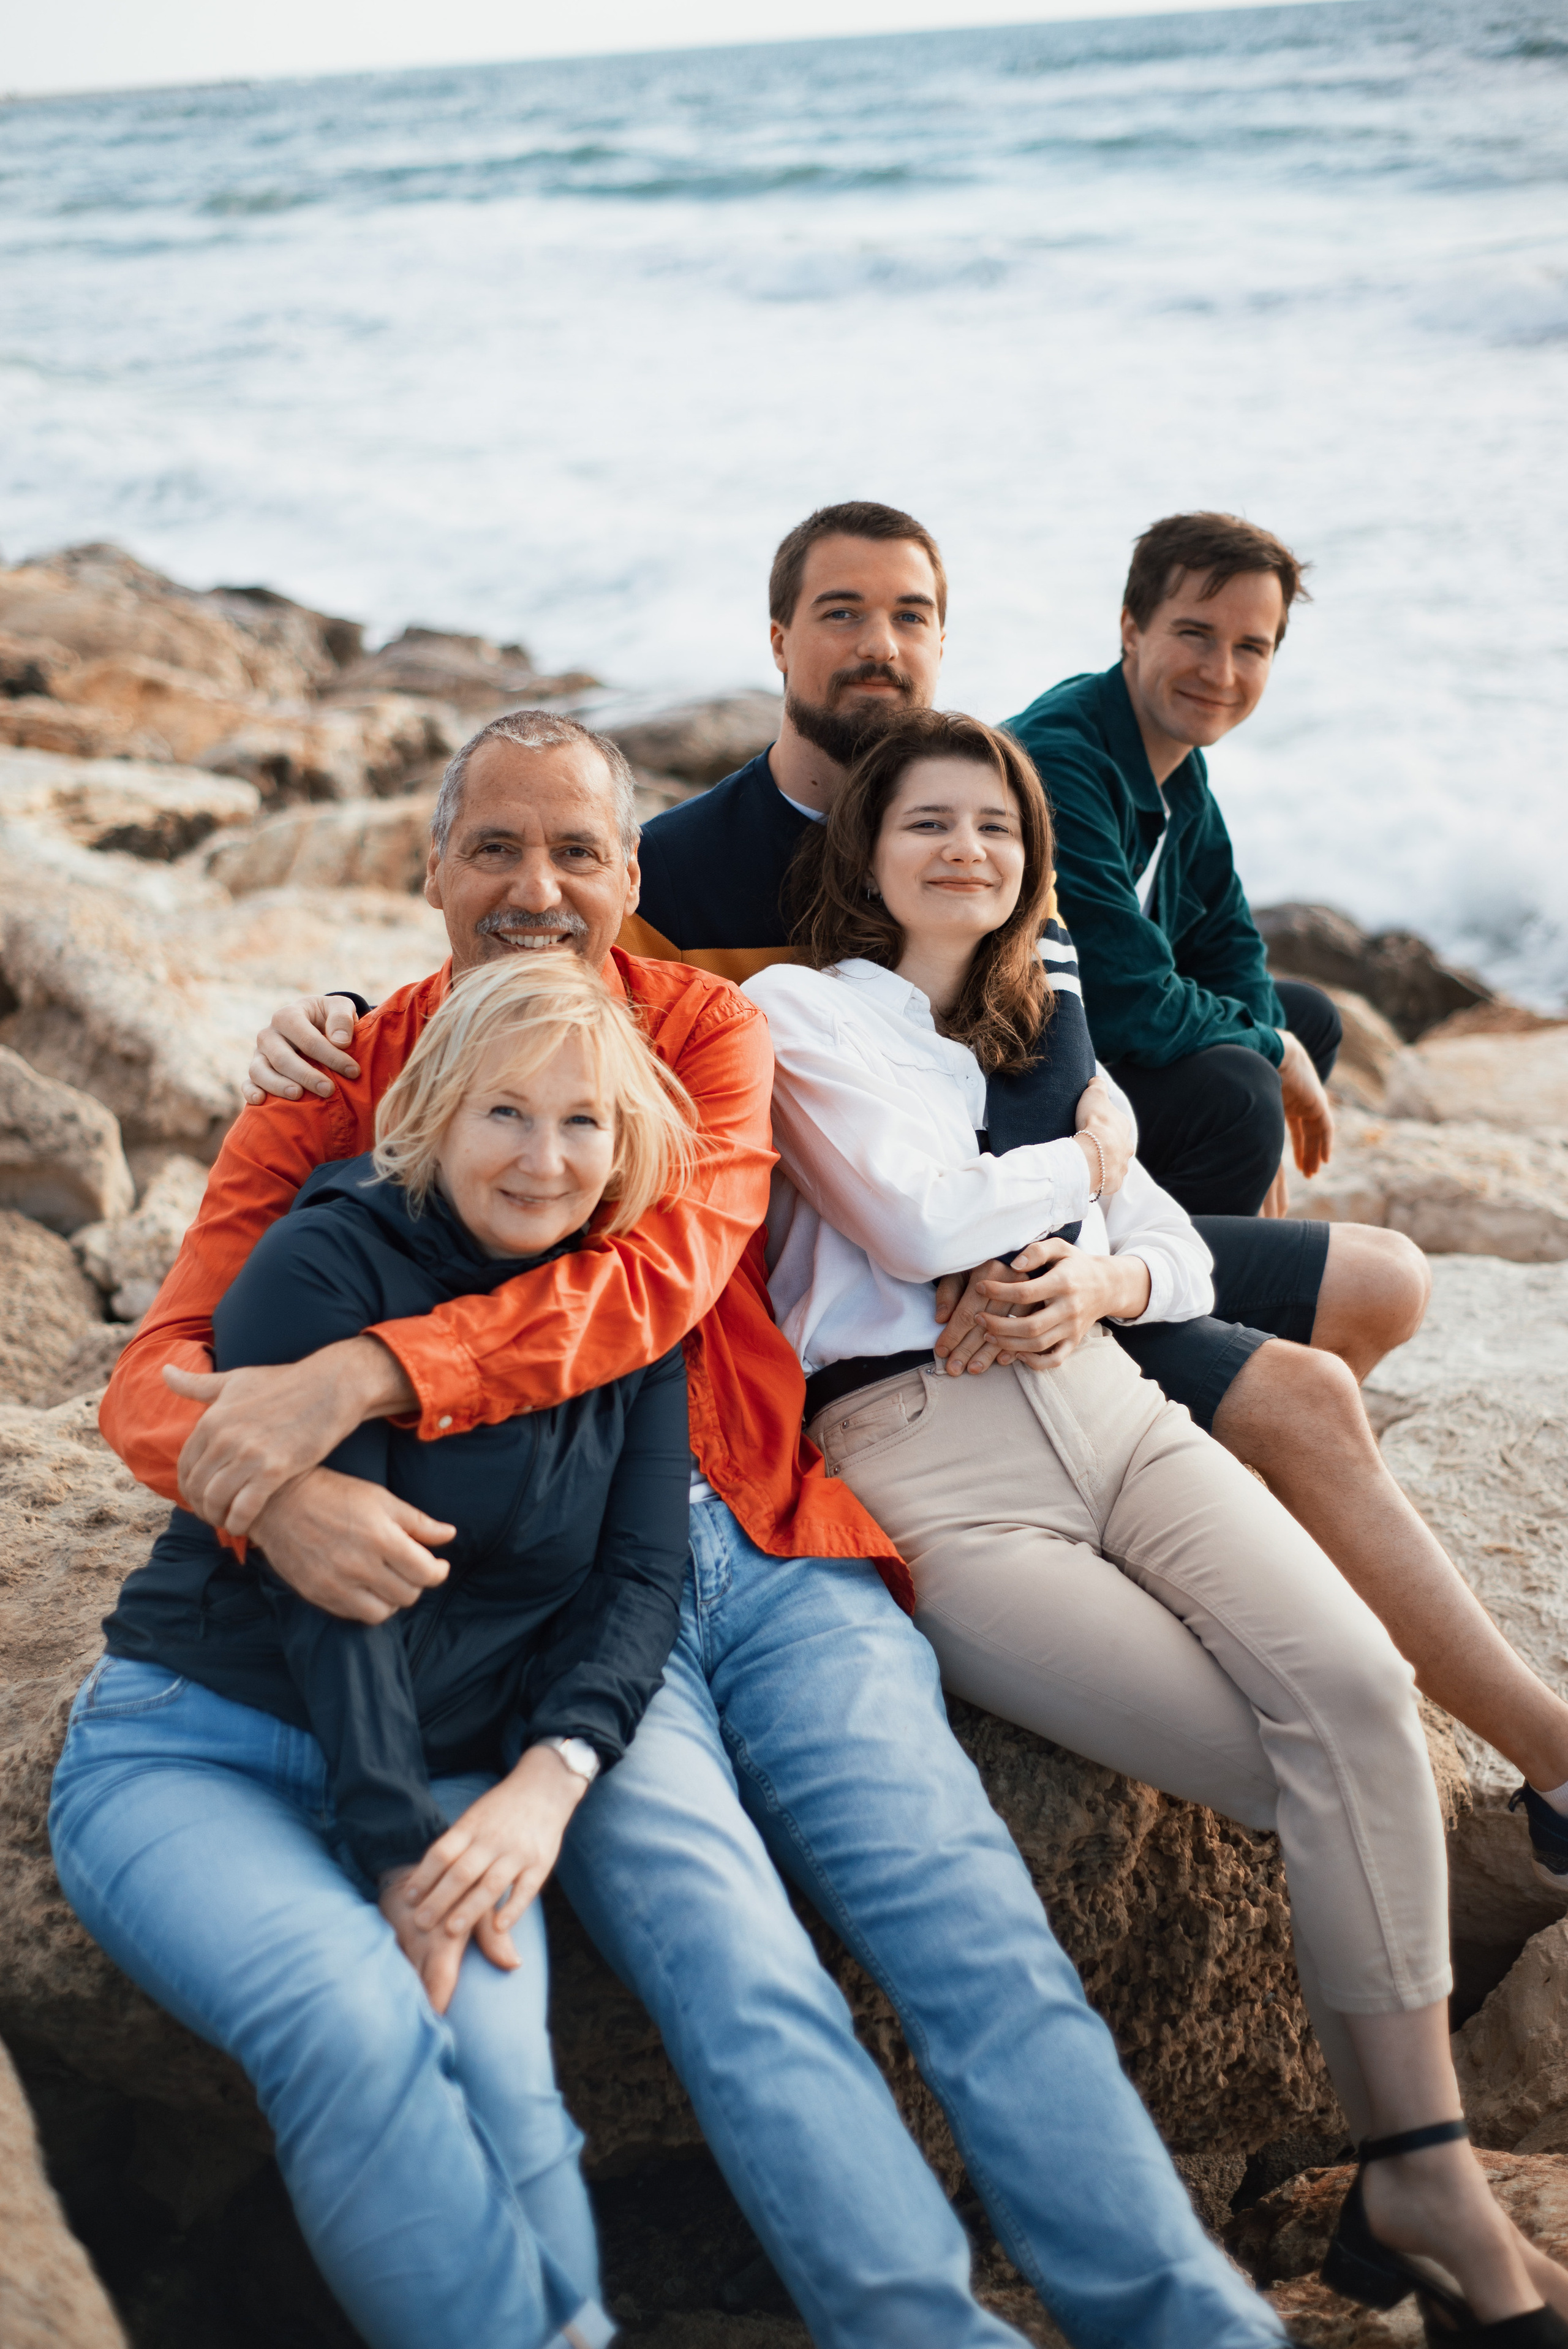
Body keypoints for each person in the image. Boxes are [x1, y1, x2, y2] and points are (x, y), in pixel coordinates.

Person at [102, 706, 1291, 2349]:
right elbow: (158, 1370)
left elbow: (651, 1284)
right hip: (563, 1605)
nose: (538, 885)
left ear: (629, 872)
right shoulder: (352, 1076)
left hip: (782, 1543)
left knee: (971, 1921)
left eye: (577, 849)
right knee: (736, 1965)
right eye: (497, 847)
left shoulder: (712, 1038)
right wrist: (273, 1476)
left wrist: (368, 1375)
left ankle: (1193, 2326)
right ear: (428, 866)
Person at [249, 501, 1568, 1866]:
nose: (878, 647)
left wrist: (1111, 1217)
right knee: (1302, 1395)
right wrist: (359, 1013)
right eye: (841, 615)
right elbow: (551, 1000)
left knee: (1371, 1293)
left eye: (911, 617)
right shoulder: (682, 874)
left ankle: (1238, 1547)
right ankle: (1539, 1762)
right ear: (776, 641)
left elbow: (1063, 1026)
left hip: (1042, 1248)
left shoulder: (972, 807)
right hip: (893, 1302)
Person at [744, 704, 1568, 2345]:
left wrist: (1104, 1271)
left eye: (997, 825)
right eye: (929, 822)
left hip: (1113, 1406)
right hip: (930, 1453)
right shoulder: (801, 1012)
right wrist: (1087, 1156)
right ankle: (1419, 2177)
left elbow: (1171, 1255)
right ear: (870, 851)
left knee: (1362, 1717)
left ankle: (1420, 2177)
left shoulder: (1039, 1016)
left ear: (1033, 858)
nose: (966, 848)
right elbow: (910, 1215)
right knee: (1303, 1768)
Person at [52, 953, 701, 2349]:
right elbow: (334, 1591)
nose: (543, 1157)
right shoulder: (324, 1258)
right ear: (434, 1116)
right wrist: (399, 1845)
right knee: (357, 2019)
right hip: (196, 1747)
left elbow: (646, 1572)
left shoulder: (628, 1301)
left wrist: (551, 1773)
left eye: (582, 1120)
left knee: (509, 2082)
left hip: (469, 1771)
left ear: (625, 1137)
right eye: (504, 1113)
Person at [1004, 507, 1333, 1224]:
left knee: (1308, 1020)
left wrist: (1281, 1046)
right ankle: (1166, 1305)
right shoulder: (1063, 761)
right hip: (1013, 1079)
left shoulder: (1177, 766)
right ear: (1132, 628)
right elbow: (1126, 1001)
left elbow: (1228, 944)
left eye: (1251, 647)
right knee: (1242, 1085)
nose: (1221, 673)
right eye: (1195, 634)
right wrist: (1270, 1054)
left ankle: (1217, 1240)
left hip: (1094, 1046)